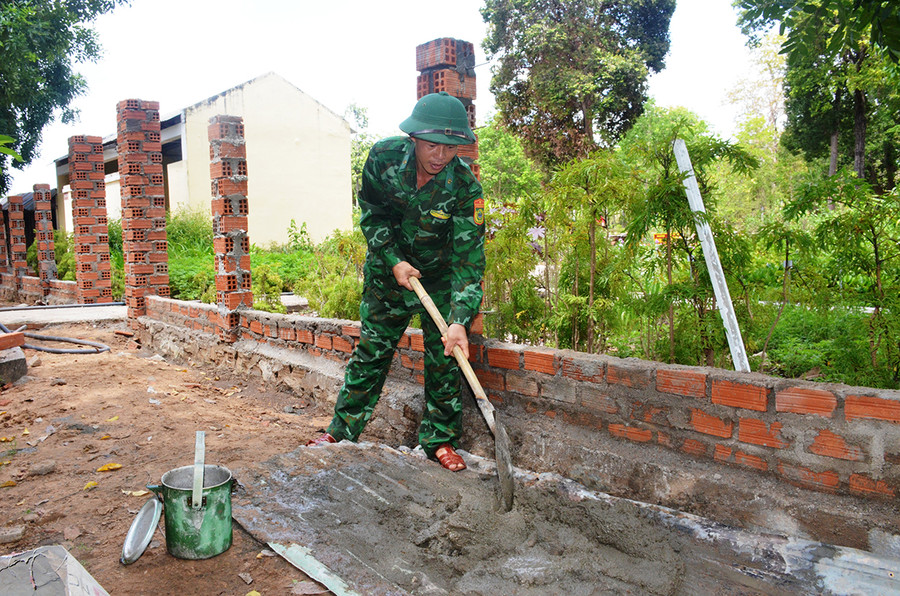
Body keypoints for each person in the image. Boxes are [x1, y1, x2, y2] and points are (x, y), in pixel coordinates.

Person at [306, 92, 485, 472]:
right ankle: (340, 432)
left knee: (445, 359)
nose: (440, 156)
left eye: (450, 148)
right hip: (389, 276)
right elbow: (372, 215)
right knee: (371, 353)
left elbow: (469, 260)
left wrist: (458, 320)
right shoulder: (383, 158)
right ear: (414, 138)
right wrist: (393, 261)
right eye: (432, 145)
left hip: (436, 280)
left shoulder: (465, 188)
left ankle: (439, 440)